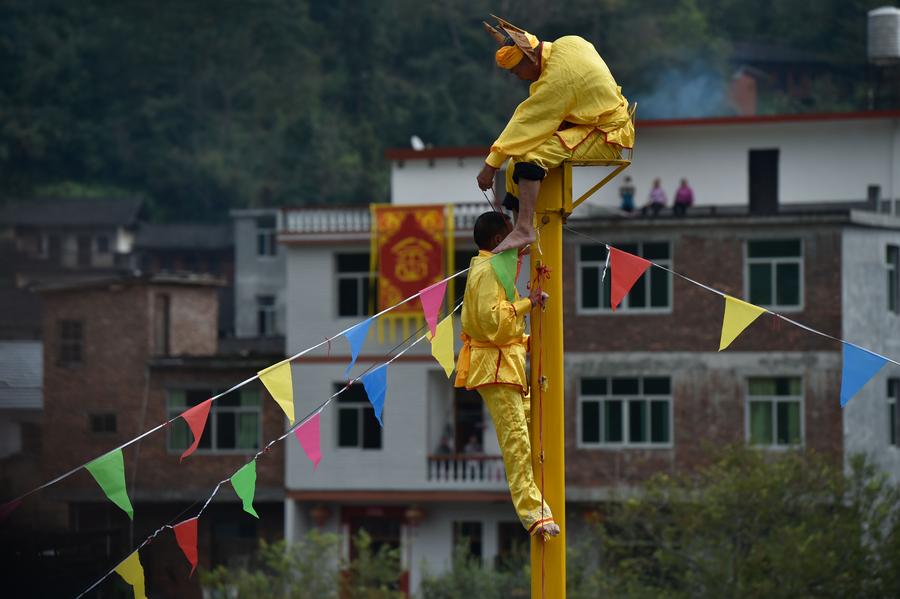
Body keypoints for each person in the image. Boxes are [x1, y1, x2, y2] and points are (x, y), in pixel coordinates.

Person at [477, 16, 635, 253]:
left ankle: (524, 229)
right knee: (515, 163)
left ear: (531, 58)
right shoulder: (569, 42)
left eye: (517, 70)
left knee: (531, 158)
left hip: (608, 133)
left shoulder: (556, 81)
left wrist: (490, 165)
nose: (518, 76)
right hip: (589, 123)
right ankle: (522, 230)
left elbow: (526, 121)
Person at [454, 211, 559, 538]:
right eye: (514, 234)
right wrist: (528, 304)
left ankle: (540, 496)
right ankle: (534, 515)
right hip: (496, 368)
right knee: (517, 441)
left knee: (533, 430)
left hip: (506, 365)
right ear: (499, 240)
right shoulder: (487, 271)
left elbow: (500, 327)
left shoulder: (491, 267)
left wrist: (527, 338)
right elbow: (494, 324)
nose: (519, 240)